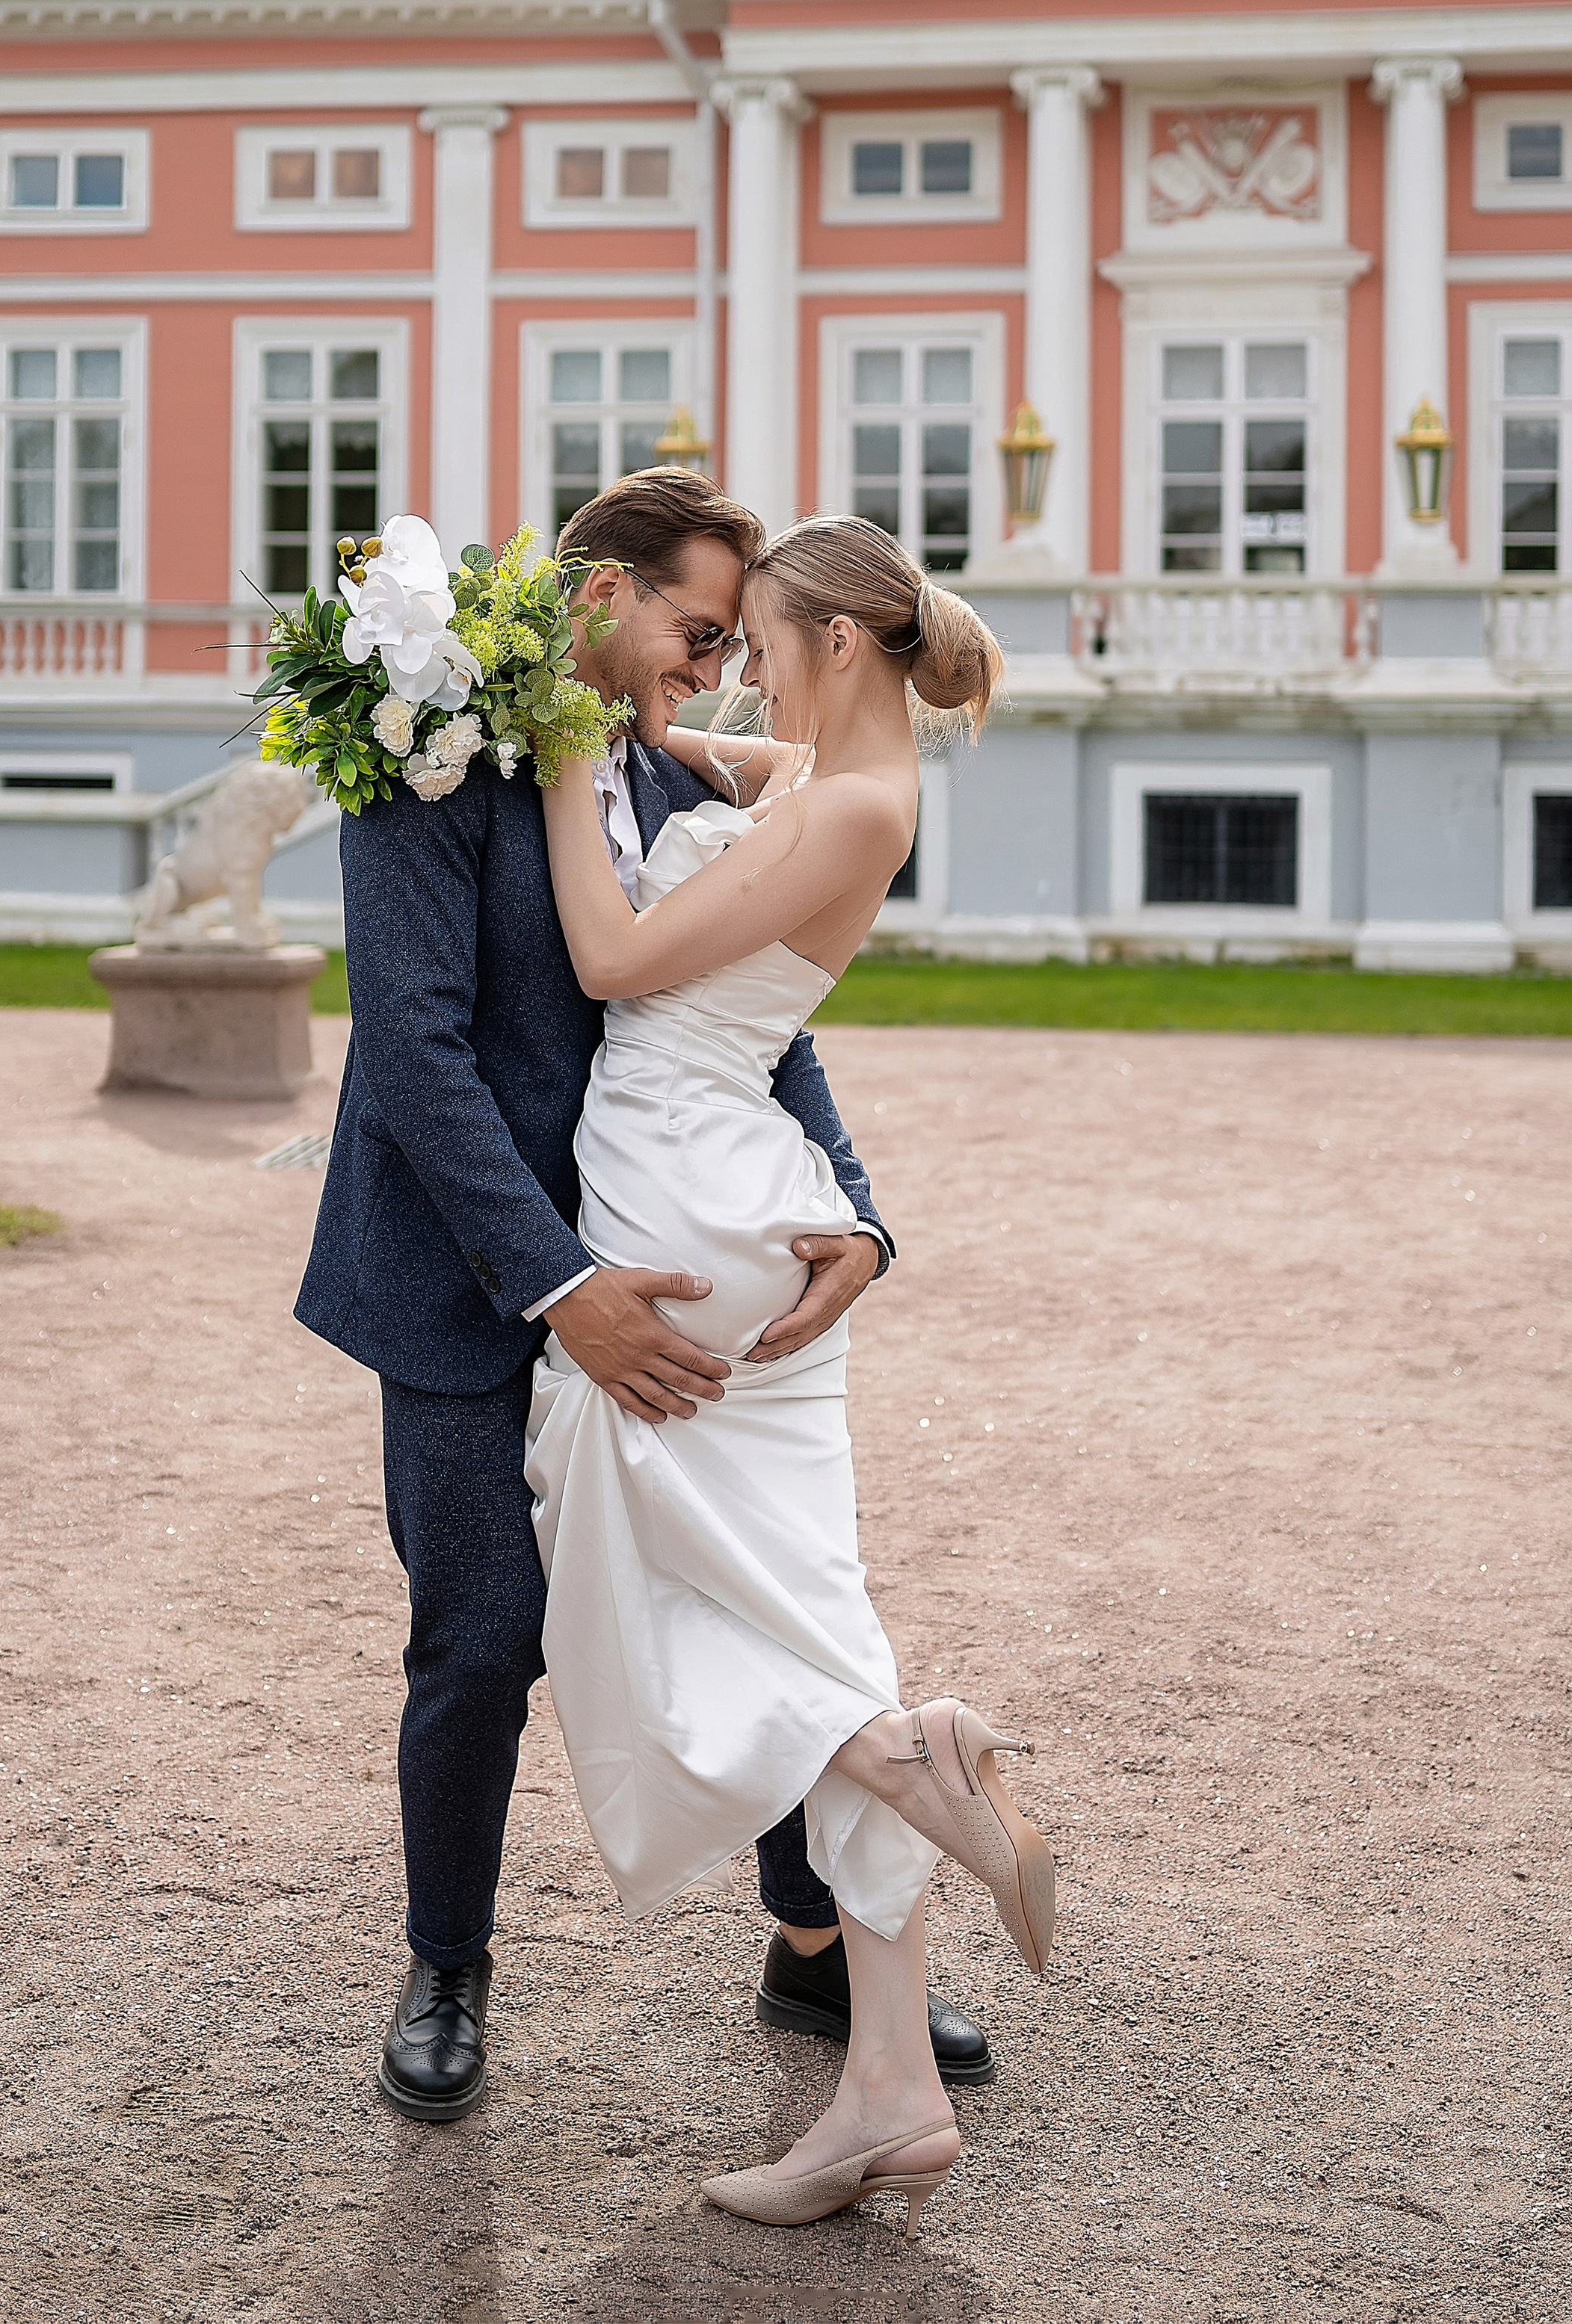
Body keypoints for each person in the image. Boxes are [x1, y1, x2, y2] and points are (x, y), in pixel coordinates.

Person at [295, 470, 995, 2122]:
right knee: (484, 1635)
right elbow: (414, 1049)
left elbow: (756, 1012)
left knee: (742, 1577)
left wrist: (860, 1216)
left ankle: (810, 1945)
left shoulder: (652, 755)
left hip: (664, 1233)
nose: (718, 669)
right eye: (697, 631)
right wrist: (557, 1287)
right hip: (473, 1277)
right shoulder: (431, 735)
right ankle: (446, 1964)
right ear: (598, 596)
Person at [526, 512, 1053, 2237]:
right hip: (742, 1188)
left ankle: (890, 1756)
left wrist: (547, 767)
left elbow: (608, 960)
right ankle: (886, 2086)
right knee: (809, 1611)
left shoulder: (840, 803)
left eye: (755, 631)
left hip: (673, 1179)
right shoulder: (847, 770)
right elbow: (697, 744)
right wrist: (626, 709)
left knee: (656, 1577)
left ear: (835, 638)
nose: (735, 659)